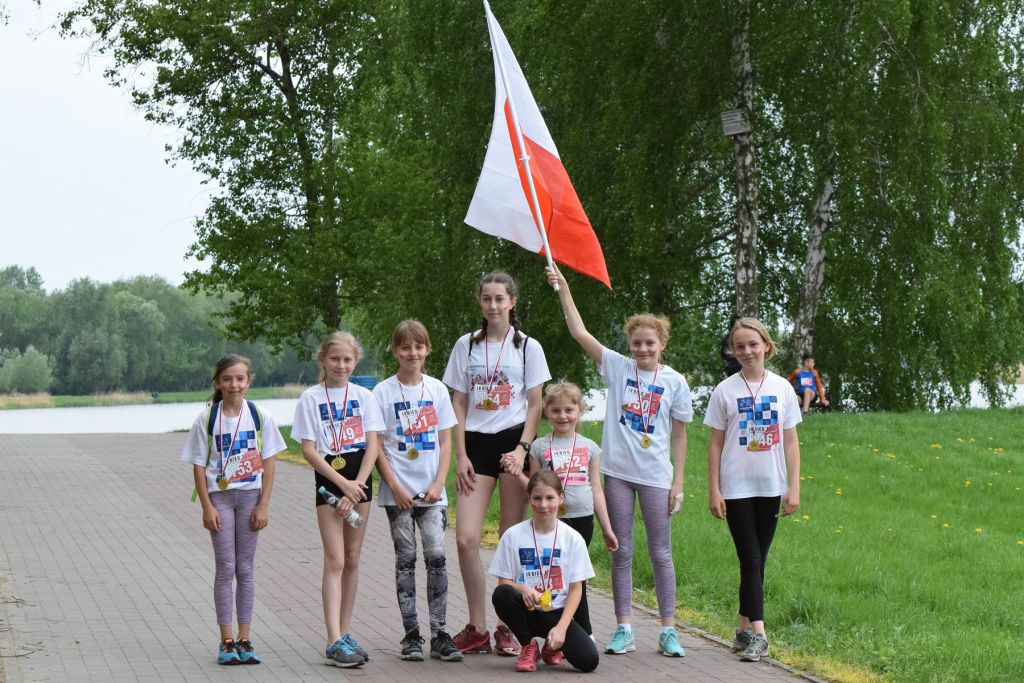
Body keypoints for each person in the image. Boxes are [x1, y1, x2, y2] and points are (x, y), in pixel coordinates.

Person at [546, 266, 692, 658]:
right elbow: (580, 333)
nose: (642, 349)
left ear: (662, 343)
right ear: (628, 343)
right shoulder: (617, 367)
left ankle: (668, 630)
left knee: (661, 553)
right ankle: (624, 628)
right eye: (636, 343)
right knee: (621, 550)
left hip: (656, 476)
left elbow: (680, 435)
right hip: (617, 475)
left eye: (649, 343)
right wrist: (564, 289)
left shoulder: (675, 381)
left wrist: (678, 483)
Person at [442, 271, 551, 656]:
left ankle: (507, 627)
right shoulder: (466, 345)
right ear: (480, 302)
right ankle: (477, 627)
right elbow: (457, 401)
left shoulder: (528, 347)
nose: (493, 306)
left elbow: (535, 404)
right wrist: (461, 454)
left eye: (499, 299)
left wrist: (522, 450)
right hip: (475, 445)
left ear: (512, 303)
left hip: (513, 444)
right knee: (466, 538)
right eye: (487, 299)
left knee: (510, 538)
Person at [705, 317, 802, 663]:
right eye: (740, 346)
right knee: (750, 556)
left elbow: (791, 442)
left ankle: (742, 629)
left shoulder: (783, 388)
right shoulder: (724, 391)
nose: (747, 351)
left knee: (758, 558)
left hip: (770, 485)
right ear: (733, 351)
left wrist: (793, 486)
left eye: (753, 344)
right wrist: (714, 489)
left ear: (766, 346)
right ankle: (760, 635)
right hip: (736, 487)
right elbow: (715, 444)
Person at [180, 354, 286, 665]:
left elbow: (269, 462)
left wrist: (264, 504)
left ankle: (245, 638)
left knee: (246, 568)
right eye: (227, 379)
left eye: (240, 379)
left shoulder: (259, 415)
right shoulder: (207, 419)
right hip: (221, 499)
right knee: (226, 567)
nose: (234, 385)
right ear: (217, 382)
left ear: (249, 381)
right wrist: (207, 506)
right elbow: (199, 466)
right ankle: (226, 640)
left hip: (251, 497)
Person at [371, 320, 464, 663]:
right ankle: (411, 634)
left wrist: (439, 483)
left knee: (437, 556)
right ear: (395, 350)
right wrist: (394, 486)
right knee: (406, 560)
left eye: (418, 346)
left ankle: (440, 633)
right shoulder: (382, 392)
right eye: (405, 347)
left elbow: (445, 441)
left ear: (427, 350)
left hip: (432, 493)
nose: (412, 353)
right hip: (398, 494)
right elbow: (376, 445)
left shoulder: (436, 389)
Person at [291, 331, 385, 668]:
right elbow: (308, 450)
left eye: (347, 359)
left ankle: (345, 632)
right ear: (322, 360)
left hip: (360, 480)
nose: (341, 365)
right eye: (334, 359)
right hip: (330, 478)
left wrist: (357, 485)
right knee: (335, 559)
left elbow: (373, 445)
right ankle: (332, 640)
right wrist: (342, 485)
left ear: (355, 361)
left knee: (353, 558)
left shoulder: (364, 396)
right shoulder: (310, 398)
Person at [505, 381, 618, 642]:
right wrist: (515, 472)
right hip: (551, 519)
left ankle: (584, 631)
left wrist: (607, 528)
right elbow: (534, 486)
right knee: (552, 574)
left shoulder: (590, 447)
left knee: (576, 578)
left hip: (582, 519)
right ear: (547, 412)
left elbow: (596, 490)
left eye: (569, 410)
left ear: (580, 410)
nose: (563, 416)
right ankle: (548, 627)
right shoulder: (539, 447)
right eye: (556, 410)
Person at [489, 470, 600, 673]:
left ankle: (552, 646)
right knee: (501, 594)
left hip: (556, 612)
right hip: (527, 610)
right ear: (528, 498)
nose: (543, 505)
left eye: (550, 498)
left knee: (589, 661)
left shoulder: (573, 539)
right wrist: (523, 588)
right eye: (537, 498)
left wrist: (562, 628)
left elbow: (576, 590)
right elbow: (504, 583)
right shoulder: (513, 536)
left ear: (561, 498)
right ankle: (528, 646)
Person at [720, 314, 742, 378]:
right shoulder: (727, 338)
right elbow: (723, 354)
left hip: (740, 366)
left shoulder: (727, 337)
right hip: (733, 367)